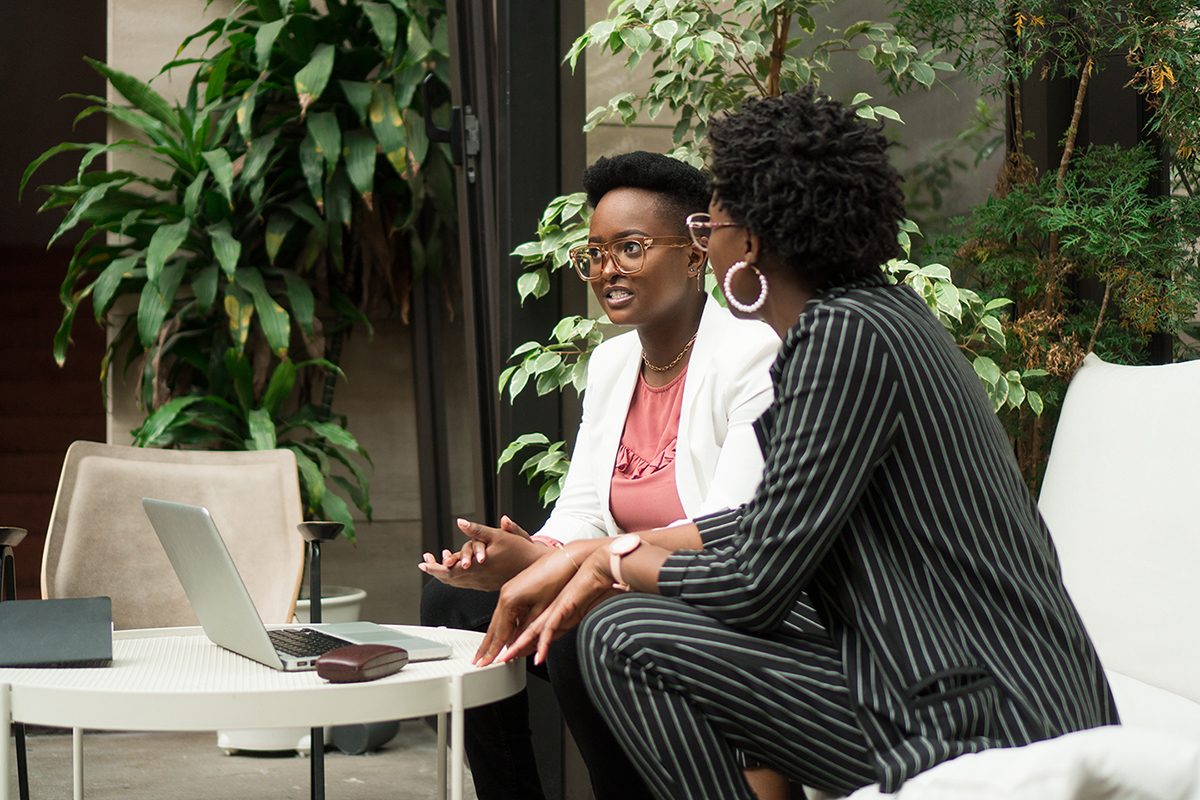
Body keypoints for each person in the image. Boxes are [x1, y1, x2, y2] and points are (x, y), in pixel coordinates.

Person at [476, 87, 1119, 799]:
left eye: (707, 223)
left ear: (748, 243)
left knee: (622, 635)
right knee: (624, 624)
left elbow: (755, 585)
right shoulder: (877, 318)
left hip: (990, 712)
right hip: (958, 682)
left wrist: (610, 566)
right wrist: (597, 551)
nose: (702, 239)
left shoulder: (843, 339)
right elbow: (767, 526)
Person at [418, 151, 785, 800]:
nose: (606, 269)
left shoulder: (751, 353)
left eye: (630, 248)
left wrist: (575, 566)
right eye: (593, 254)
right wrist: (527, 554)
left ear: (697, 252)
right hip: (614, 575)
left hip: (698, 591)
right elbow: (584, 508)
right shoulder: (613, 364)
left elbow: (728, 526)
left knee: (579, 618)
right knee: (454, 600)